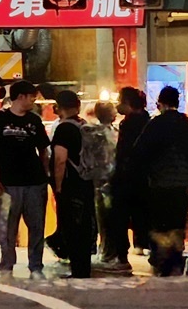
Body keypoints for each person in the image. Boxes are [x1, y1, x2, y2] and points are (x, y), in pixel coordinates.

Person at [0, 79, 51, 280]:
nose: (33, 101)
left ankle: (36, 266)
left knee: (36, 226)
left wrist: (46, 175)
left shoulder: (34, 120)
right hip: (8, 183)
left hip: (34, 181)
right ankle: (6, 265)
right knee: (8, 228)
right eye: (31, 97)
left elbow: (43, 150)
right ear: (20, 97)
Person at [132, 85, 188, 277]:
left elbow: (140, 152)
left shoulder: (156, 124)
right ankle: (176, 260)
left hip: (159, 183)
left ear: (160, 103)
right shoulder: (186, 124)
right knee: (177, 224)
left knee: (160, 224)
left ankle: (161, 260)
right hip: (182, 184)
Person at [101, 87, 150, 273]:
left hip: (126, 179)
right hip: (144, 179)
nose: (118, 105)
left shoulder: (129, 124)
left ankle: (122, 257)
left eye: (120, 101)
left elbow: (122, 153)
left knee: (119, 218)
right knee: (142, 216)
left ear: (128, 103)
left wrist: (115, 176)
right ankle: (147, 249)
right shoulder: (148, 121)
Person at [51, 90, 96, 278]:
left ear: (59, 107)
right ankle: (84, 267)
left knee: (71, 227)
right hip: (87, 182)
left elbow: (60, 159)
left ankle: (77, 269)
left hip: (71, 184)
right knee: (85, 226)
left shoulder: (63, 129)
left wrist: (58, 185)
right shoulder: (85, 126)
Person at [92, 99, 119, 261]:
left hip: (112, 179)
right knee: (104, 217)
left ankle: (110, 250)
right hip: (102, 180)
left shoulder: (114, 131)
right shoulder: (97, 134)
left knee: (110, 217)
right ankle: (107, 251)